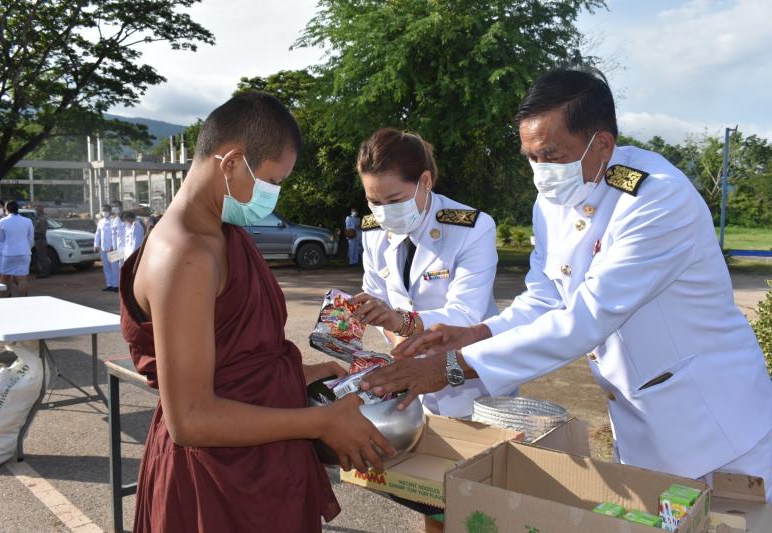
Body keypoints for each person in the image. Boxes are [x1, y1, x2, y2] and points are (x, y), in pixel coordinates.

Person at [363, 67, 772, 502]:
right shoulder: (554, 200)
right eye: (530, 157)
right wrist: (478, 332)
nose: (540, 172)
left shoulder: (657, 199)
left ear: (602, 144)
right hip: (641, 425)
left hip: (718, 428)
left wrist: (449, 366)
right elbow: (546, 298)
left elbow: (586, 318)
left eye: (551, 155)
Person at [120, 91, 394, 532]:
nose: (274, 196)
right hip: (214, 485)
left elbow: (235, 363)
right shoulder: (185, 254)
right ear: (231, 162)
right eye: (272, 181)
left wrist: (307, 373)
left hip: (262, 468)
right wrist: (322, 421)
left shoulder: (223, 232)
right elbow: (190, 419)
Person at [352, 128, 508, 418]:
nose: (383, 212)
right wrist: (397, 338)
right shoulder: (374, 231)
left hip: (468, 382)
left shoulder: (472, 228)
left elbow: (466, 314)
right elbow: (377, 297)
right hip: (413, 381)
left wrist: (402, 323)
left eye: (395, 200)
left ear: (425, 181)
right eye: (374, 202)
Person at [0, 200, 33, 297]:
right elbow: (30, 238)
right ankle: (22, 299)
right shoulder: (27, 221)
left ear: (6, 209)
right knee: (22, 278)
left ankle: (3, 299)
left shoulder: (2, 221)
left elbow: (0, 238)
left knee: (4, 278)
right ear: (17, 209)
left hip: (9, 253)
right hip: (24, 252)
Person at [94, 204, 118, 291]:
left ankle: (116, 285)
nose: (104, 212)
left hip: (113, 248)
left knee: (114, 267)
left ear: (110, 211)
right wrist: (96, 245)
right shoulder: (101, 222)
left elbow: (116, 235)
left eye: (106, 210)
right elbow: (98, 233)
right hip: (103, 247)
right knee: (106, 267)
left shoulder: (114, 220)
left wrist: (113, 246)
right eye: (103, 210)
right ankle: (109, 284)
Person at [33, 205, 51, 278]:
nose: (35, 211)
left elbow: (43, 230)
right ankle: (43, 272)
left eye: (36, 210)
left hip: (40, 240)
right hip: (39, 240)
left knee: (42, 257)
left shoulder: (42, 219)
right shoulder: (39, 218)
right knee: (40, 257)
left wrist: (34, 233)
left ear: (39, 210)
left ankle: (44, 273)